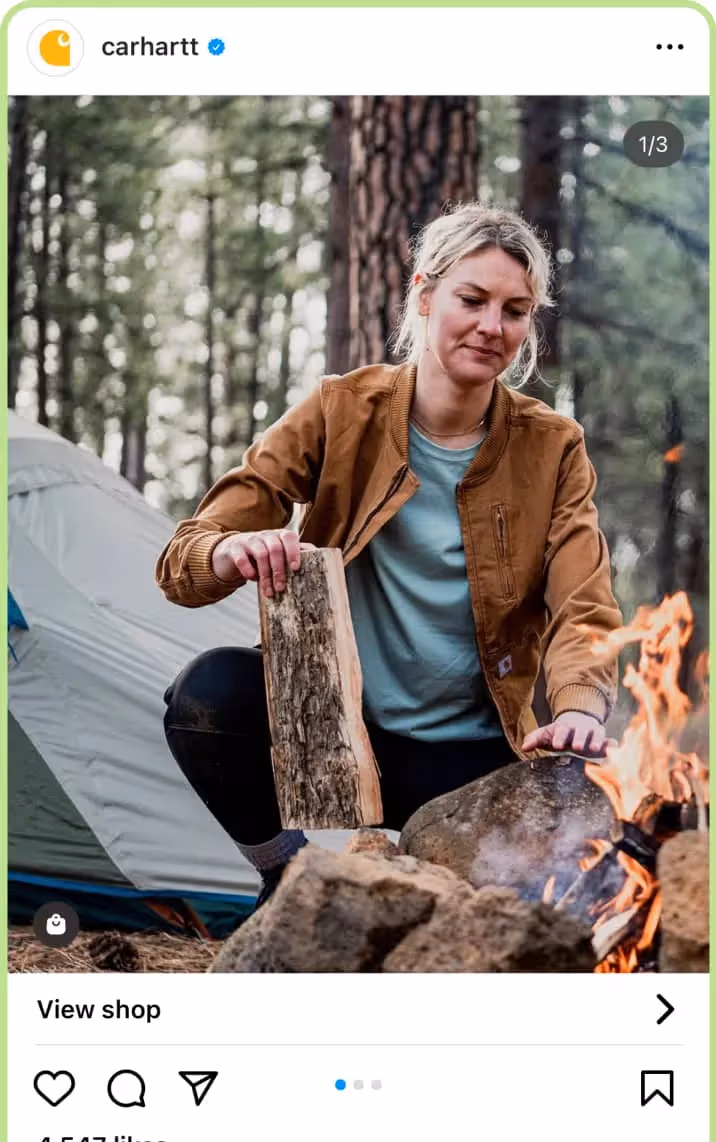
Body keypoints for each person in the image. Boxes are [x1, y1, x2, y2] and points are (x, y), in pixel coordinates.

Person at [156, 202, 622, 909]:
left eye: (514, 310)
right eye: (471, 299)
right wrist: (229, 549)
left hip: (478, 762)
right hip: (343, 742)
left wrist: (581, 706)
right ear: (424, 294)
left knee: (581, 849)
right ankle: (286, 880)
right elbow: (183, 560)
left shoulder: (553, 445)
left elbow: (582, 605)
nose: (491, 326)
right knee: (207, 697)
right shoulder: (342, 408)